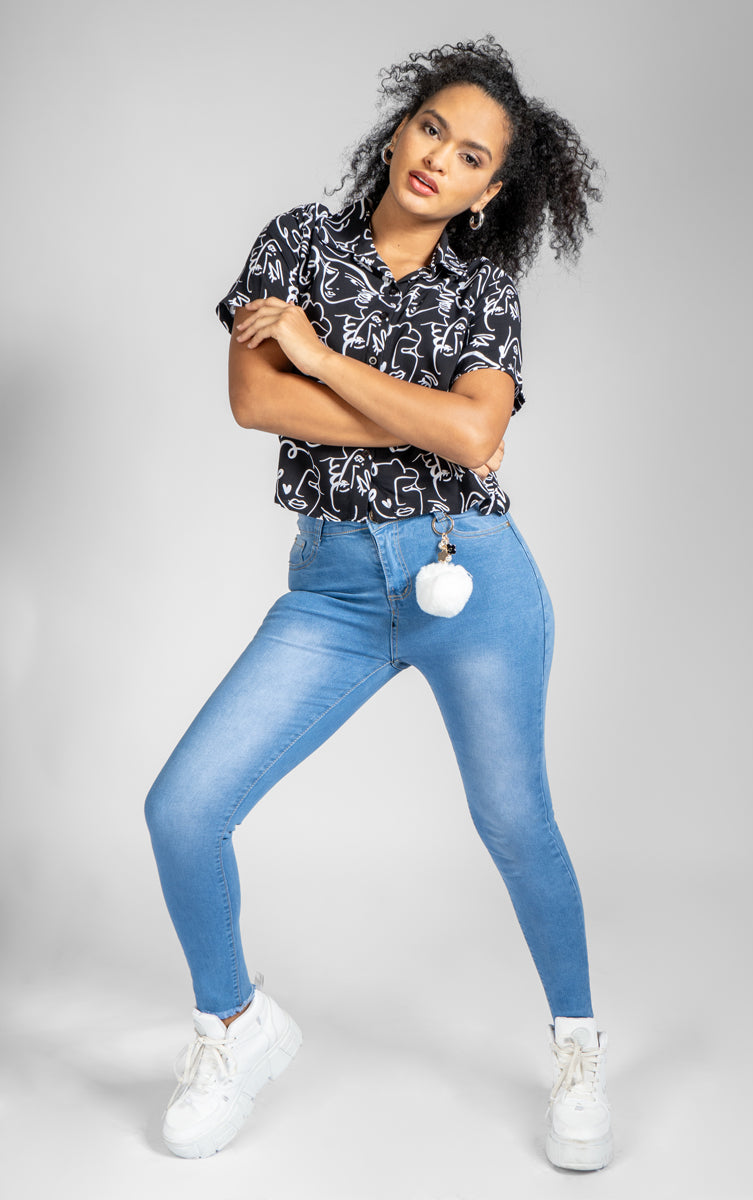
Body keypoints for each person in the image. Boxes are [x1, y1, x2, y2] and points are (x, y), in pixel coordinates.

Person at [145, 36, 611, 1172]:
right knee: (183, 809)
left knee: (514, 824)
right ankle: (235, 1025)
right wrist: (419, 417)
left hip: (473, 582)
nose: (440, 158)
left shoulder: (484, 289)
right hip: (335, 590)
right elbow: (255, 402)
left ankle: (579, 1047)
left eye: (472, 157)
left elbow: (478, 434)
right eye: (432, 128)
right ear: (400, 128)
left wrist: (317, 356)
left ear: (487, 192)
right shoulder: (295, 243)